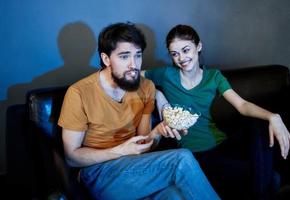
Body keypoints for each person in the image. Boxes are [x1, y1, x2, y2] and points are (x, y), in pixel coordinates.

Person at [58, 22, 220, 200]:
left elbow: (143, 145)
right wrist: (120, 150)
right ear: (106, 59)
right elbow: (72, 157)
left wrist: (158, 131)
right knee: (182, 159)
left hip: (135, 167)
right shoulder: (79, 93)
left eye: (138, 56)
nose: (133, 65)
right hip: (98, 173)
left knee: (176, 196)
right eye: (124, 56)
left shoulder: (146, 87)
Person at [142, 24, 290, 200]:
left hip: (224, 145)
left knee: (260, 123)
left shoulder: (214, 77)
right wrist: (157, 94)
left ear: (199, 47)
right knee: (273, 179)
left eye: (186, 50)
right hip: (197, 156)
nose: (181, 58)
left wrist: (274, 117)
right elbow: (133, 75)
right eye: (175, 54)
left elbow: (242, 105)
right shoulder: (166, 74)